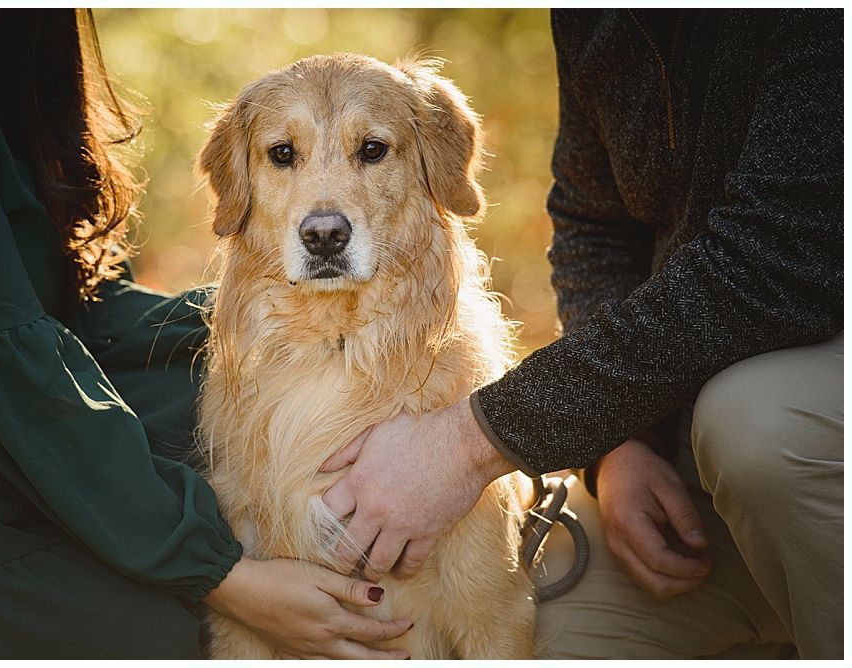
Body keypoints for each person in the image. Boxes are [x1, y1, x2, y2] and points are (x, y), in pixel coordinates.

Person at [0, 9, 412, 659]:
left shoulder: (14, 81)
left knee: (290, 409)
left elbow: (86, 311)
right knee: (199, 631)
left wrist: (322, 323)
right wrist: (224, 574)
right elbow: (16, 371)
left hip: (5, 448)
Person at [320, 8, 842, 659]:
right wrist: (620, 444)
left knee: (759, 421)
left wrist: (471, 441)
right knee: (540, 626)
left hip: (799, 426)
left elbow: (778, 260)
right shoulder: (593, 16)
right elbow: (594, 224)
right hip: (699, 476)